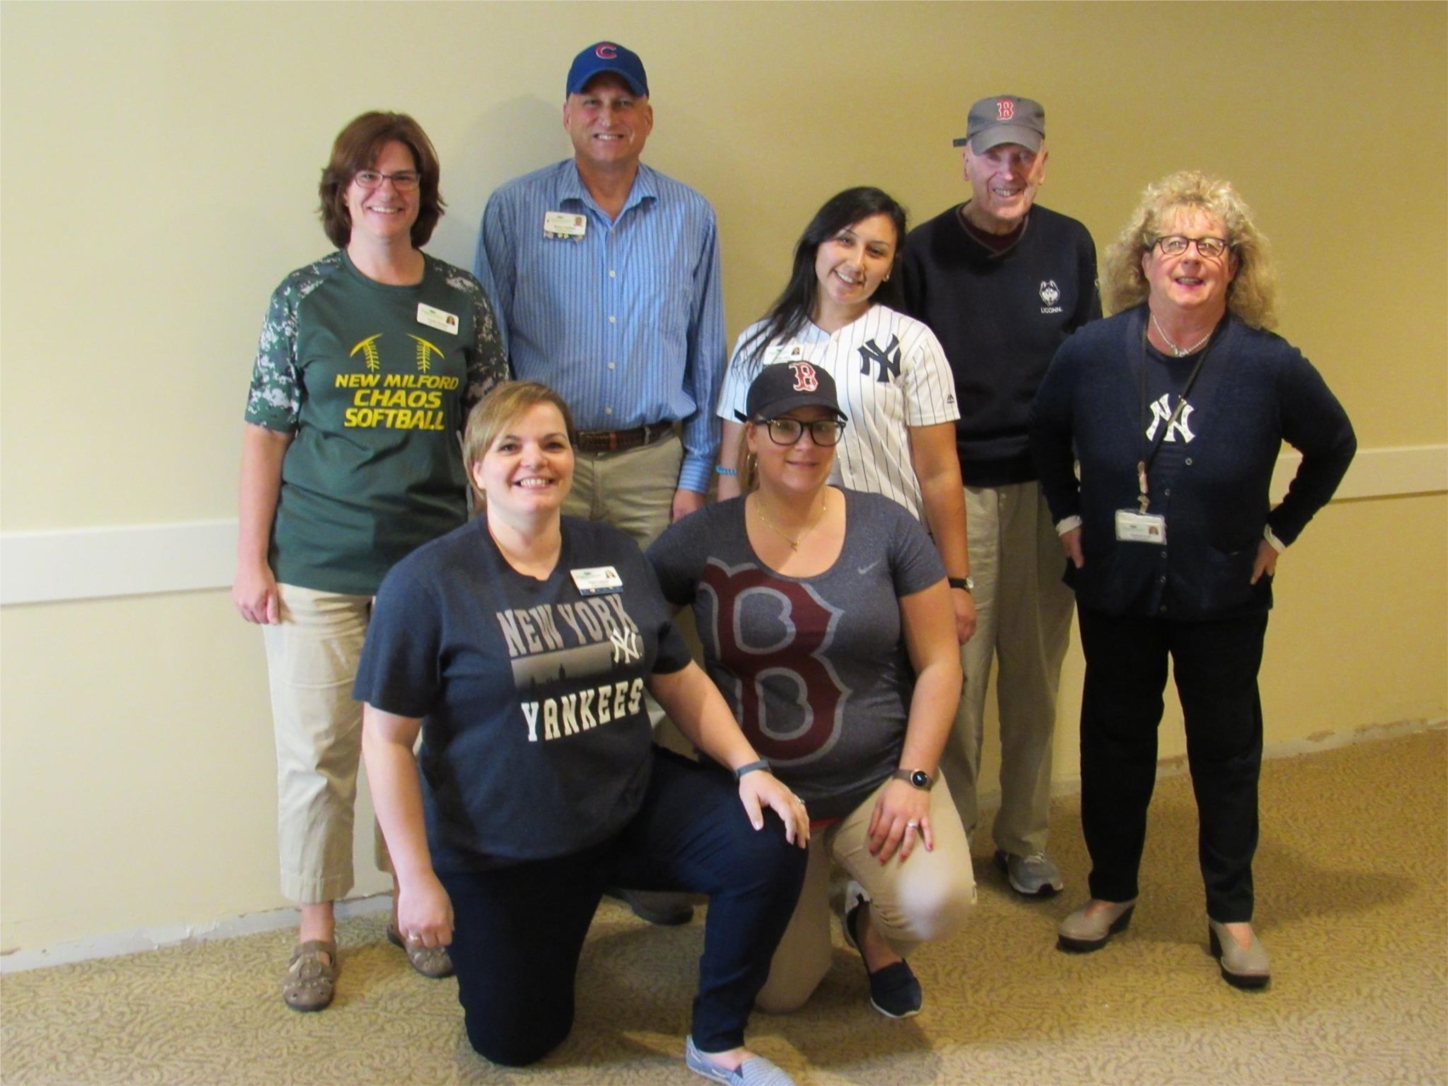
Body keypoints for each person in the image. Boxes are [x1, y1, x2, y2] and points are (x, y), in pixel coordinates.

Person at [356, 381, 810, 1085]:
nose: (533, 460)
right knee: (514, 1041)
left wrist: (752, 768)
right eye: (509, 445)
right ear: (477, 469)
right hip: (505, 850)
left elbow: (678, 676)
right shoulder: (428, 583)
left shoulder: (616, 552)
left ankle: (716, 1040)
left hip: (623, 807)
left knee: (769, 836)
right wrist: (414, 880)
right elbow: (385, 742)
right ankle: (545, 931)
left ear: (572, 459)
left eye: (552, 443)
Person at [1031, 171, 1356, 988]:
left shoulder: (1268, 364)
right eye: (1172, 242)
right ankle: (1111, 893)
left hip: (1222, 598)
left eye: (1210, 245)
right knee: (1114, 747)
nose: (1190, 257)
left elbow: (1335, 446)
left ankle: (1231, 912)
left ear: (1235, 267)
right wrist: (1069, 521)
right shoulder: (1091, 352)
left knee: (1225, 754)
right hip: (1118, 591)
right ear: (1141, 261)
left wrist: (1279, 531)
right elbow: (1045, 438)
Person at [232, 111, 506, 1011]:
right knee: (318, 753)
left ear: (424, 196)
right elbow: (266, 436)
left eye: (404, 178)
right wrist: (251, 562)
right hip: (314, 566)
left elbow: (490, 436)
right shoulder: (304, 298)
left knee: (425, 750)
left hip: (428, 572)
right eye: (368, 176)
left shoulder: (463, 299)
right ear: (342, 190)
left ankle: (411, 906)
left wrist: (496, 550)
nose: (386, 191)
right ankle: (315, 930)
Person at [474, 38, 725, 926]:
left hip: (656, 464)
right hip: (545, 466)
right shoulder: (514, 210)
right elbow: (493, 357)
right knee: (535, 657)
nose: (609, 117)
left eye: (626, 103)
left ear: (647, 116)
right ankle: (551, 849)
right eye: (593, 101)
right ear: (569, 113)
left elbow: (709, 352)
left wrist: (697, 478)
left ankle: (637, 847)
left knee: (651, 651)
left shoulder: (691, 216)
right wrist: (503, 475)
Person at [651, 365, 974, 1019]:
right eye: (785, 426)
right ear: (751, 439)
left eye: (822, 427)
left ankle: (869, 924)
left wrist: (913, 778)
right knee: (780, 994)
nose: (805, 443)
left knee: (936, 904)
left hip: (875, 783)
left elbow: (941, 664)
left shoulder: (888, 527)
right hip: (768, 806)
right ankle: (808, 890)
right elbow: (636, 618)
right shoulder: (704, 537)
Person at [900, 95, 1101, 897]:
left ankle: (1024, 838)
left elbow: (1092, 370)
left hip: (1049, 496)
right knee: (957, 677)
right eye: (993, 155)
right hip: (955, 497)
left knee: (1035, 678)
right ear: (966, 159)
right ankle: (949, 834)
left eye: (1023, 156)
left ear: (1042, 161)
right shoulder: (921, 254)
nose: (1008, 170)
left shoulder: (1070, 244)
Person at [715, 186, 976, 646]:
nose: (856, 263)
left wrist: (956, 582)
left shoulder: (912, 343)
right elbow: (733, 465)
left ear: (891, 265)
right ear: (816, 243)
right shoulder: (759, 343)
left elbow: (938, 473)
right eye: (844, 240)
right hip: (780, 555)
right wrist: (727, 559)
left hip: (892, 558)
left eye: (876, 251)